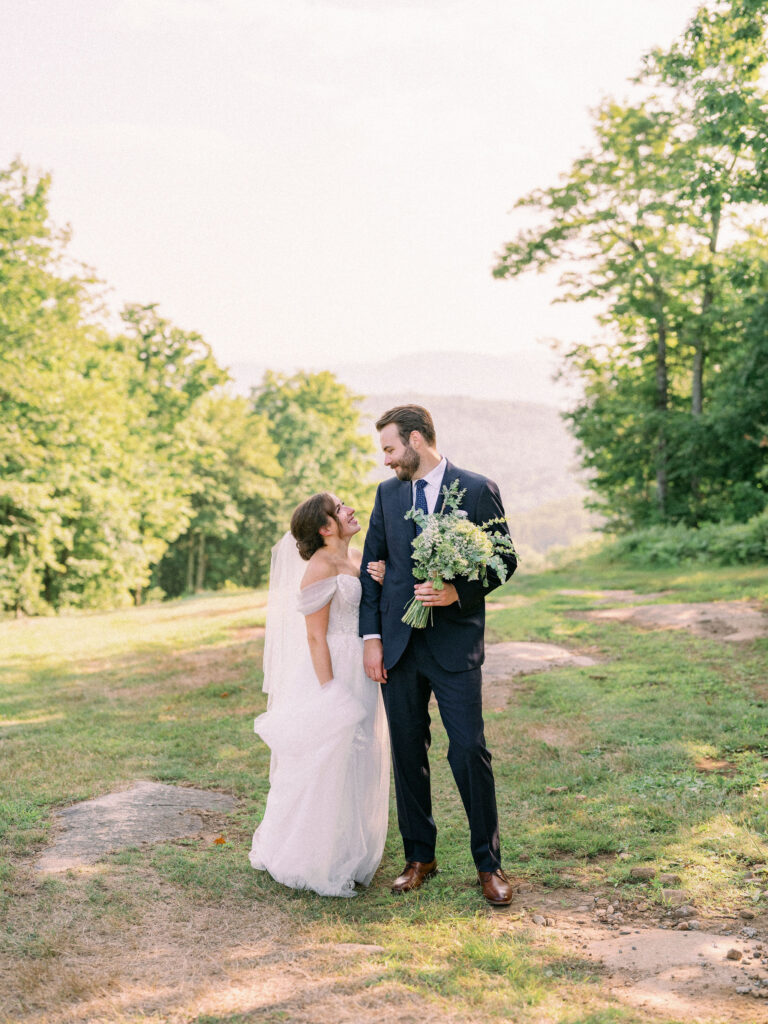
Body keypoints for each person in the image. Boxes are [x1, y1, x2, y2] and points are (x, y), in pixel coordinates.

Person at [359, 405, 517, 906]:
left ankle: (488, 865)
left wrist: (458, 592)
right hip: (399, 647)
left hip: (454, 644)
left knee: (469, 749)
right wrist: (372, 639)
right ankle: (419, 856)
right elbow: (372, 569)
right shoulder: (386, 495)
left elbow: (504, 559)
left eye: (389, 449)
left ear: (417, 440)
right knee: (407, 752)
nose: (385, 460)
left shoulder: (476, 488)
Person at [249, 493, 390, 897]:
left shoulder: (358, 555)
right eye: (339, 508)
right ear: (326, 528)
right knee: (328, 756)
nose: (350, 510)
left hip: (362, 666)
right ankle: (313, 855)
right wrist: (329, 694)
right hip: (331, 670)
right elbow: (314, 636)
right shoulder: (319, 566)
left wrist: (378, 574)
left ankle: (352, 850)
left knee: (360, 755)